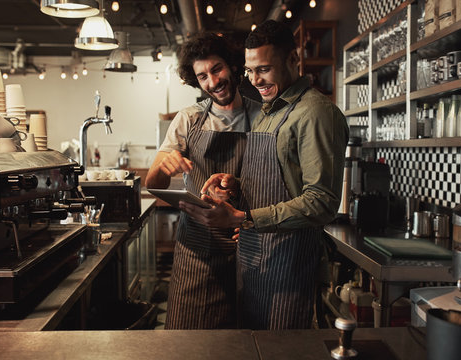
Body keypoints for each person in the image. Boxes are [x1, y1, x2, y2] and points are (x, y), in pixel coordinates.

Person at [179, 20, 349, 330]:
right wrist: (236, 184)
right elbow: (278, 181)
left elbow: (322, 202)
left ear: (293, 60)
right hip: (254, 262)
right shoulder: (270, 111)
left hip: (289, 266)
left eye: (264, 69)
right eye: (249, 71)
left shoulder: (315, 113)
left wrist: (243, 217)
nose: (255, 80)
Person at [145, 32, 261, 329]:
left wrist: (246, 210)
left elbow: (272, 181)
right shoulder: (189, 119)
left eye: (216, 69)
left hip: (247, 244)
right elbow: (152, 183)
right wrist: (164, 166)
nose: (212, 82)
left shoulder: (262, 118)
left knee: (243, 341)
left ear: (233, 66)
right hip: (196, 250)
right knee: (188, 340)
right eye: (202, 76)